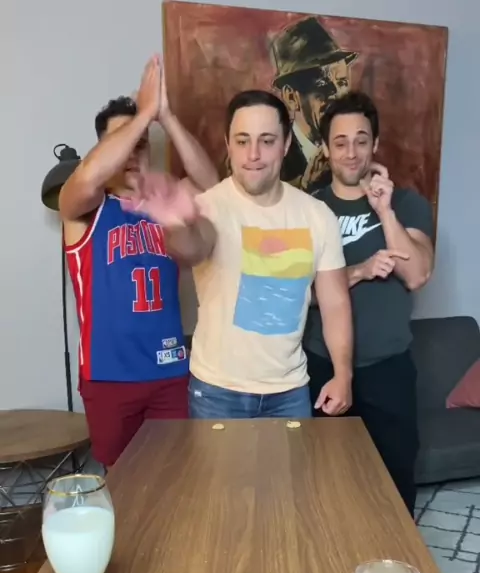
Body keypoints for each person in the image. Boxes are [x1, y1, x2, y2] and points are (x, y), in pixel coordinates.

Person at [123, 90, 353, 421]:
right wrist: (174, 222)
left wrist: (343, 374)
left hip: (290, 393)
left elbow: (335, 303)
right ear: (228, 145)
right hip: (217, 393)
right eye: (242, 141)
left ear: (286, 143)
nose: (253, 154)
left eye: (267, 141)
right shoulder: (208, 205)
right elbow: (191, 249)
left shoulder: (318, 216)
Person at [59, 55, 218, 468]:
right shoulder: (86, 209)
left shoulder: (167, 200)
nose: (132, 153)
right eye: (122, 143)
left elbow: (217, 192)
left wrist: (165, 116)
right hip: (108, 377)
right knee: (123, 485)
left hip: (170, 371)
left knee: (176, 480)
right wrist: (143, 114)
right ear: (104, 150)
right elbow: (88, 178)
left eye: (141, 143)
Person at [304, 91, 434, 516]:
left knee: (394, 485)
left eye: (361, 140)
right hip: (322, 365)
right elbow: (299, 293)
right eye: (340, 142)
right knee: (324, 484)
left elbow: (417, 274)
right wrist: (359, 270)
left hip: (388, 367)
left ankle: (395, 556)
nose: (351, 152)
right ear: (326, 149)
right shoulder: (309, 209)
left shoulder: (406, 204)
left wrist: (385, 211)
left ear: (375, 144)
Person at [270, 17, 358, 191]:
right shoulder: (267, 153)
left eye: (342, 83)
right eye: (322, 86)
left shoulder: (357, 149)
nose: (338, 96)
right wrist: (306, 187)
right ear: (291, 97)